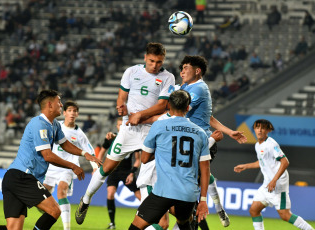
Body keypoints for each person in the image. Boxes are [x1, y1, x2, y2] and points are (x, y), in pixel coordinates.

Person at [75, 42, 175, 225]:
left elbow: (162, 105)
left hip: (152, 133)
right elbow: (122, 96)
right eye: (152, 61)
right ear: (145, 57)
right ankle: (86, 199)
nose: (155, 65)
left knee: (148, 175)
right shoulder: (131, 72)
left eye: (159, 62)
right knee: (107, 168)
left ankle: (149, 217)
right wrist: (121, 107)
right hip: (129, 130)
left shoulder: (168, 77)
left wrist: (139, 115)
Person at [0, 90, 102, 230]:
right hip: (23, 176)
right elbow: (47, 155)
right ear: (50, 105)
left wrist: (84, 153)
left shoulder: (55, 125)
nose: (61, 105)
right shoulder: (39, 124)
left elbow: (64, 144)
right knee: (54, 211)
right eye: (59, 102)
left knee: (13, 229)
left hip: (15, 177)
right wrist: (72, 166)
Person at [179, 55, 247, 228]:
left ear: (197, 70)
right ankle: (218, 208)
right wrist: (230, 131)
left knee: (189, 190)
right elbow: (207, 117)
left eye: (186, 67)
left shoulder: (199, 88)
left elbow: (178, 111)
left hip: (202, 143)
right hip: (191, 143)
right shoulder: (189, 87)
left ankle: (199, 219)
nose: (182, 71)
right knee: (199, 181)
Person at [129, 89, 211, 230]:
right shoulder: (200, 132)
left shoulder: (159, 126)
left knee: (136, 226)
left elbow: (144, 158)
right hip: (188, 194)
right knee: (184, 223)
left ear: (168, 105)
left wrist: (162, 151)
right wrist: (203, 200)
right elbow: (205, 170)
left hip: (164, 191)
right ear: (187, 107)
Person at [234, 119, 314, 230]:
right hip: (267, 183)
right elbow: (262, 162)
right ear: (254, 129)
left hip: (278, 183)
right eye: (257, 127)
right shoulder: (258, 145)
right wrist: (245, 166)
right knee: (254, 210)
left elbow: (285, 162)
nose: (260, 130)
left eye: (263, 128)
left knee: (285, 215)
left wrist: (274, 180)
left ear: (268, 130)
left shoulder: (271, 144)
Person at [43, 100, 98, 230]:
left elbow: (90, 153)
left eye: (75, 111)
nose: (72, 113)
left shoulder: (80, 135)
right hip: (51, 167)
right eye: (70, 110)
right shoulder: (55, 126)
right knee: (42, 196)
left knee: (61, 190)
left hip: (68, 168)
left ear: (77, 114)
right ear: (64, 112)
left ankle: (67, 228)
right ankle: (52, 211)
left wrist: (95, 168)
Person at [98, 117, 141, 229]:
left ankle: (149, 219)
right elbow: (101, 152)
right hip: (113, 171)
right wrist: (97, 166)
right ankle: (112, 223)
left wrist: (132, 173)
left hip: (127, 172)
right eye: (119, 125)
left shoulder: (132, 139)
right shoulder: (111, 138)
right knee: (110, 193)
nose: (121, 126)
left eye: (123, 124)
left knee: (141, 197)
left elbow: (138, 159)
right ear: (116, 126)